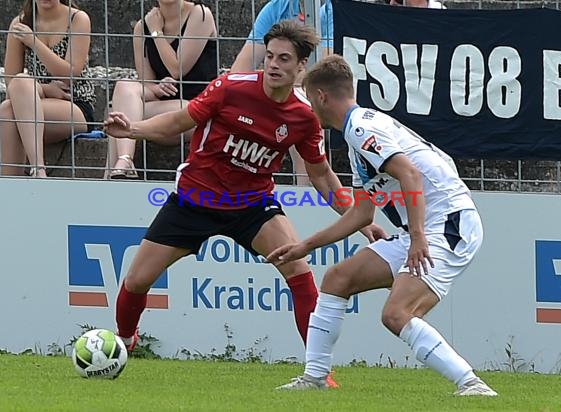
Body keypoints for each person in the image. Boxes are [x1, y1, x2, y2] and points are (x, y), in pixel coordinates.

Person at [104, 21, 383, 388]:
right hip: (194, 200)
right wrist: (134, 130)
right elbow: (177, 122)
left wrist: (359, 220)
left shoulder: (303, 116)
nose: (273, 65)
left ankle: (319, 373)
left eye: (284, 59)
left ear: (301, 67)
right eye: (269, 56)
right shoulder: (229, 88)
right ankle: (125, 340)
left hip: (253, 206)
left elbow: (322, 176)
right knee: (137, 280)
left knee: (300, 275)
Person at [268, 55, 497, 396]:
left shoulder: (362, 129)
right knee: (337, 279)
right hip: (423, 227)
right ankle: (314, 379)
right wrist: (305, 247)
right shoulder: (357, 134)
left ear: (321, 97)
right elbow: (361, 215)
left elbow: (410, 174)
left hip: (448, 225)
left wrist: (418, 238)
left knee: (396, 314)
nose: (309, 108)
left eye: (308, 98)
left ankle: (472, 384)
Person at [105, 0, 218, 179]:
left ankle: (111, 175)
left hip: (196, 111)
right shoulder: (143, 27)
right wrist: (159, 87)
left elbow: (177, 68)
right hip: (163, 110)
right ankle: (124, 161)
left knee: (116, 114)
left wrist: (157, 32)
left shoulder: (200, 14)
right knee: (123, 91)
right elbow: (147, 84)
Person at [230, 0, 334, 186]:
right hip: (282, 92)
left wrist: (274, 80)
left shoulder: (335, 10)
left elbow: (320, 70)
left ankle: (306, 203)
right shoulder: (276, 7)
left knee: (299, 114)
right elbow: (239, 71)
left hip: (326, 95)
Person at [0, 0, 95, 177]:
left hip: (73, 103)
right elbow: (11, 81)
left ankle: (38, 169)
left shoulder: (77, 18)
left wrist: (34, 42)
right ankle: (10, 186)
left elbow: (70, 75)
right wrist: (45, 89)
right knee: (9, 103)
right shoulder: (21, 23)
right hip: (33, 100)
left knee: (9, 107)